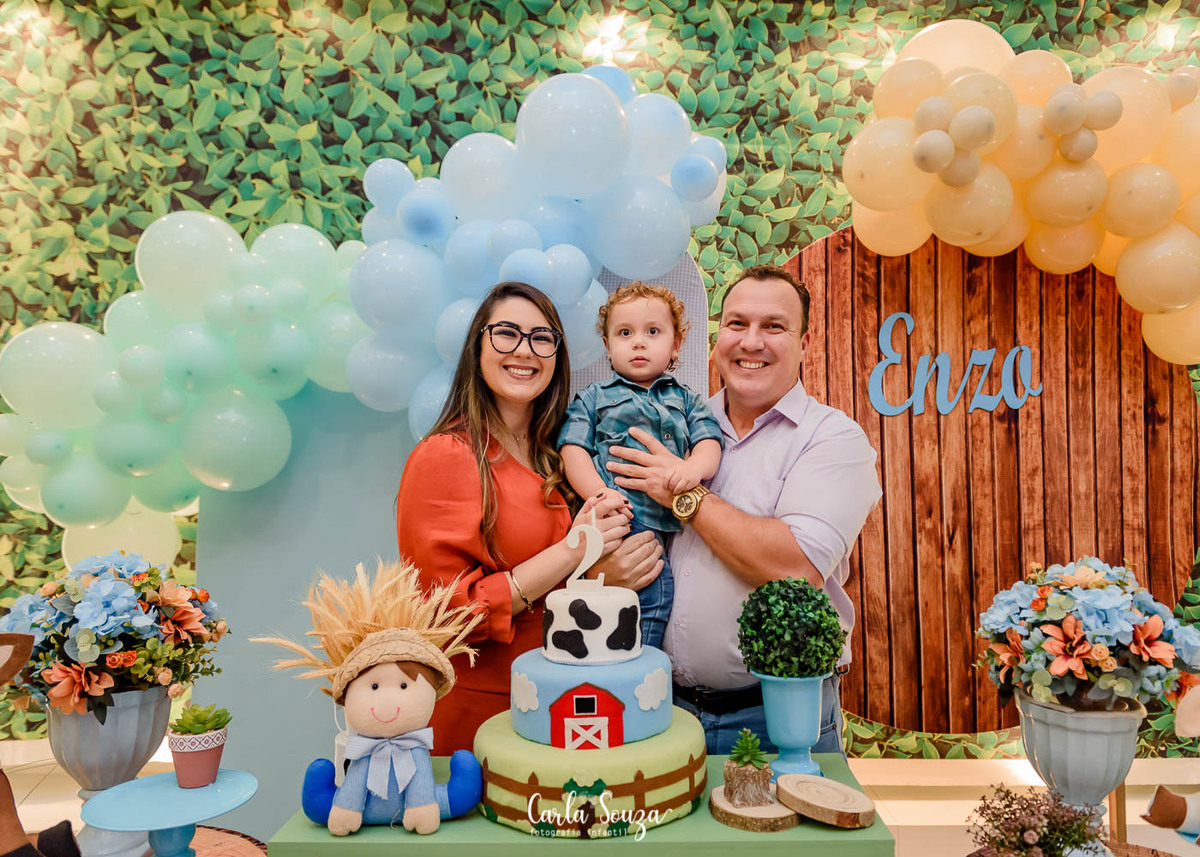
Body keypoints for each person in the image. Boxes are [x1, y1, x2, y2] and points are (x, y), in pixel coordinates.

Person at [605, 264, 882, 757]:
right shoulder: (677, 423)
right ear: (716, 340)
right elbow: (619, 528)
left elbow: (794, 566)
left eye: (773, 326)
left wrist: (682, 496)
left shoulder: (832, 438)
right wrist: (607, 569)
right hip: (659, 707)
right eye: (737, 324)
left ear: (804, 343)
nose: (751, 342)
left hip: (777, 714)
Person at [395, 282, 631, 756]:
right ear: (477, 346)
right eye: (506, 333)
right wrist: (574, 549)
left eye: (542, 338)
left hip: (560, 703)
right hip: (482, 714)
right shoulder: (446, 456)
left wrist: (600, 571)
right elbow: (448, 617)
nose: (525, 350)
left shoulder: (561, 457)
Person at [558, 282, 723, 647]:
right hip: (618, 516)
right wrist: (599, 493)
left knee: (655, 589)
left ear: (676, 344)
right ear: (607, 346)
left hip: (669, 524)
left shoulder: (688, 401)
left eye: (653, 332)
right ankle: (637, 659)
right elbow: (573, 449)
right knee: (653, 590)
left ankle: (632, 654)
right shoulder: (594, 398)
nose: (638, 343)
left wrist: (693, 469)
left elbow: (710, 442)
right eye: (625, 333)